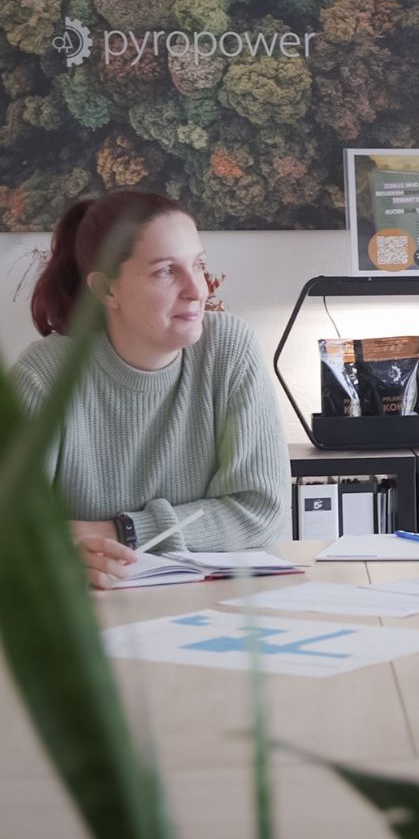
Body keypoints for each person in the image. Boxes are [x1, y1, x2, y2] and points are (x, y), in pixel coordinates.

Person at [11, 190, 289, 589]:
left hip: (212, 605)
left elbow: (261, 510)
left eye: (199, 265)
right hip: (91, 606)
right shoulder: (45, 376)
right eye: (166, 271)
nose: (197, 290)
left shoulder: (229, 348)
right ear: (106, 290)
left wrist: (118, 532)